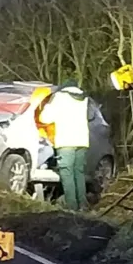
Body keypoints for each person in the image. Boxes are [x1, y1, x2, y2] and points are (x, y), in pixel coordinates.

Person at [38, 79, 90, 211]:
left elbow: (44, 118)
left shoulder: (60, 97)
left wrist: (47, 105)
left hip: (66, 140)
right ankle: (83, 205)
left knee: (67, 173)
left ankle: (71, 207)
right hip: (82, 140)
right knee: (79, 172)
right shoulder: (84, 98)